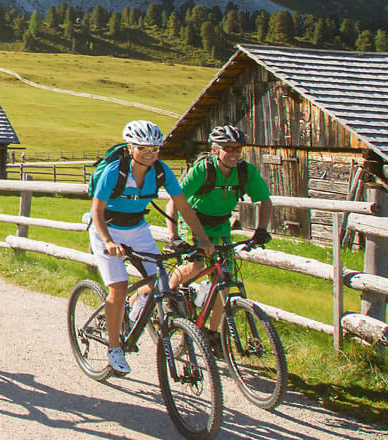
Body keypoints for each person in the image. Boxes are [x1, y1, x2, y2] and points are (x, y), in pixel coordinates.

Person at [89, 118, 213, 375]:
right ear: (130, 147)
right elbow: (97, 212)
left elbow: (183, 205)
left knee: (160, 279)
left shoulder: (161, 171)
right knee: (119, 287)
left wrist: (202, 238)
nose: (149, 154)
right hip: (106, 227)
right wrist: (110, 242)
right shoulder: (115, 171)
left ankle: (134, 309)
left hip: (137, 228)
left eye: (154, 149)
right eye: (143, 148)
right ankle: (115, 349)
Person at [170, 125, 274, 336]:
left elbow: (265, 200)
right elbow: (175, 201)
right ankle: (169, 293)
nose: (234, 153)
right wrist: (173, 236)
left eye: (238, 148)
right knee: (196, 264)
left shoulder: (246, 171)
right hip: (192, 221)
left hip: (220, 225)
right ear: (216, 150)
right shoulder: (203, 169)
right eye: (229, 148)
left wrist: (262, 229)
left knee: (225, 283)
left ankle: (213, 333)